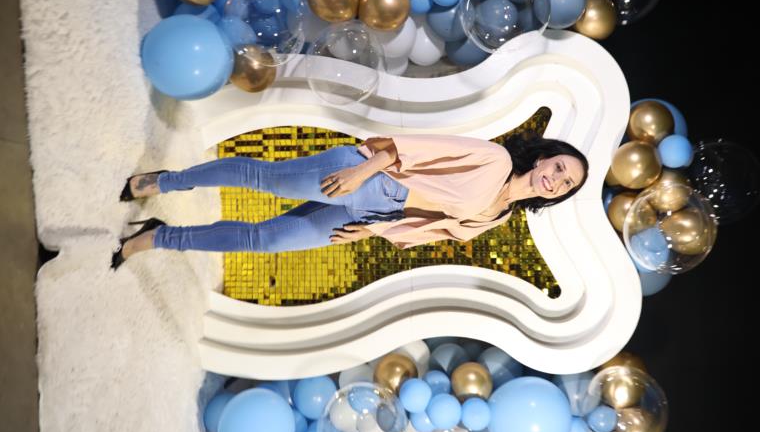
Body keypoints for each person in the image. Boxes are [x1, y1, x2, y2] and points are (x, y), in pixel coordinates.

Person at [111, 133, 588, 269]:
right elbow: (420, 148)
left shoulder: (501, 216)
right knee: (262, 177)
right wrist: (361, 169)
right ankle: (164, 181)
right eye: (560, 168)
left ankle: (158, 236)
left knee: (264, 242)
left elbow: (428, 224)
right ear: (544, 157)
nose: (556, 180)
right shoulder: (496, 159)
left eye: (566, 184)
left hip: (376, 213)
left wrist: (372, 230)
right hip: (368, 178)